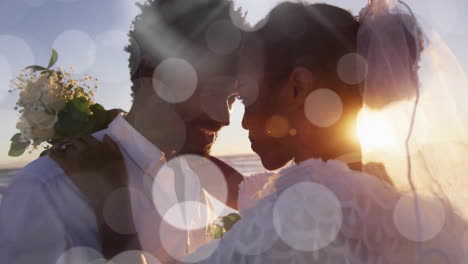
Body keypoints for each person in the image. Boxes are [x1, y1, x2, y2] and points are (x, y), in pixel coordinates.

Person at [55, 1, 468, 263]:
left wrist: (114, 216)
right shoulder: (375, 192)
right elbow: (246, 190)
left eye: (246, 97)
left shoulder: (303, 220)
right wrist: (166, 141)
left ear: (298, 87)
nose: (239, 120)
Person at [0, 0, 244, 263]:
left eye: (232, 99)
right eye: (213, 91)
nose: (225, 118)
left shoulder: (195, 183)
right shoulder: (49, 189)